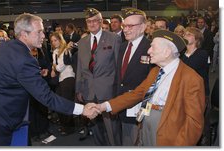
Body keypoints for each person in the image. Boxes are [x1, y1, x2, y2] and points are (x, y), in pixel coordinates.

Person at [0, 13, 99, 146]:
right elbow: (47, 97)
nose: (43, 35)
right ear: (24, 34)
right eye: (39, 31)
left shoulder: (5, 46)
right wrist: (83, 109)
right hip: (0, 121)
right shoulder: (24, 59)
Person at [98, 30, 205, 146]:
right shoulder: (155, 71)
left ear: (166, 52)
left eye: (153, 47)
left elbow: (194, 123)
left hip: (168, 132)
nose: (148, 51)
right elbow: (136, 94)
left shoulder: (191, 79)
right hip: (145, 124)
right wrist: (105, 106)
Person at [76, 8, 121, 145]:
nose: (92, 24)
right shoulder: (82, 42)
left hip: (108, 91)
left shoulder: (114, 38)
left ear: (101, 22)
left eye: (95, 21)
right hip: (89, 91)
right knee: (96, 129)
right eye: (89, 21)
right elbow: (80, 68)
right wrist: (78, 89)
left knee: (112, 129)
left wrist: (118, 90)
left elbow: (119, 67)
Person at [115, 8, 151, 146]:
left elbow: (153, 84)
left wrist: (145, 112)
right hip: (123, 104)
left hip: (140, 108)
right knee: (127, 140)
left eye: (131, 26)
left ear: (143, 27)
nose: (125, 29)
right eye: (124, 25)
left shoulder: (151, 48)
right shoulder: (123, 46)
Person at [50, 32, 76, 135]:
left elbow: (60, 67)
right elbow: (57, 67)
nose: (53, 42)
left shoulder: (66, 50)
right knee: (59, 102)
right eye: (52, 41)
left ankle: (69, 127)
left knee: (66, 103)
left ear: (60, 40)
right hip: (61, 79)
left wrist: (53, 67)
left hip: (69, 78)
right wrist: (54, 66)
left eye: (55, 40)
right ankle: (65, 124)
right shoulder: (55, 52)